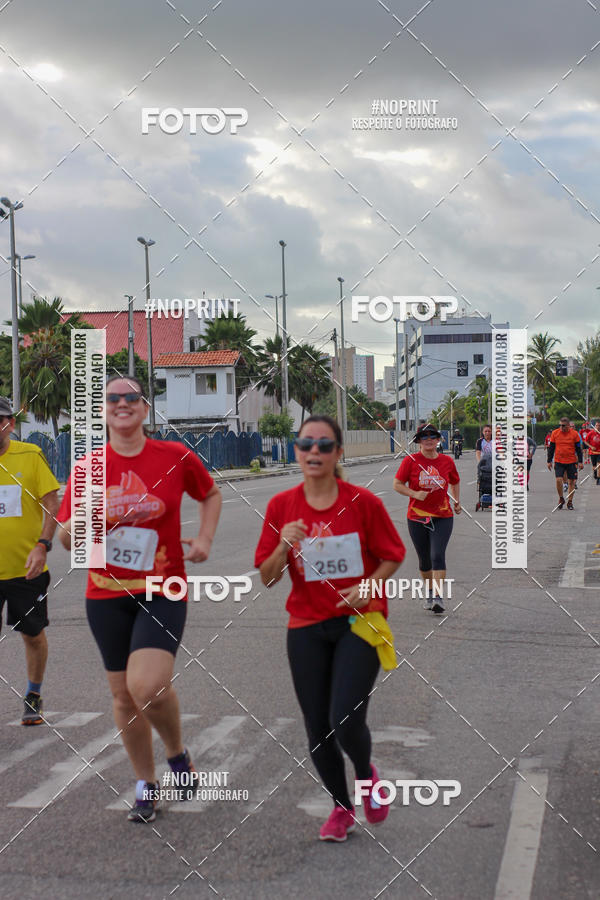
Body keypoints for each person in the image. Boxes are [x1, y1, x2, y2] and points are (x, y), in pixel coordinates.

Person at [57, 375, 222, 822]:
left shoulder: (174, 456)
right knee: (125, 698)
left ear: (145, 408)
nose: (122, 403)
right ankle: (146, 784)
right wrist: (73, 532)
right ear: (103, 410)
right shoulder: (88, 468)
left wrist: (205, 538)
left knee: (147, 685)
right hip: (105, 593)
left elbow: (210, 494)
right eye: (112, 398)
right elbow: (68, 534)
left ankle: (176, 752)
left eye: (131, 397)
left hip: (161, 588)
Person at [255, 415, 406, 842]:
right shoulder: (281, 507)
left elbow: (392, 554)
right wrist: (284, 544)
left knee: (345, 718)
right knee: (317, 727)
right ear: (296, 451)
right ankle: (341, 808)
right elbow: (267, 578)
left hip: (360, 623)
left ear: (338, 453)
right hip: (305, 625)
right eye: (306, 444)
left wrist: (369, 585)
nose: (314, 452)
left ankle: (366, 774)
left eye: (324, 445)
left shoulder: (362, 502)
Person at [0, 397, 60, 725]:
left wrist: (43, 544)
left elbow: (52, 501)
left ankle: (34, 693)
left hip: (26, 569)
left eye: (1, 420)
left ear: (9, 423)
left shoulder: (29, 456)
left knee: (32, 635)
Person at [393, 423, 461, 614]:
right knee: (424, 561)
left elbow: (455, 481)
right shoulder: (411, 461)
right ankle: (430, 591)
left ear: (439, 440)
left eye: (433, 436)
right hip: (417, 517)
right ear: (419, 441)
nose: (429, 439)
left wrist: (456, 500)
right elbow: (397, 484)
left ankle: (438, 597)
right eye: (425, 437)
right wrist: (414, 493)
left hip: (442, 515)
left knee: (437, 555)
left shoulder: (447, 461)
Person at [547, 417, 583, 510]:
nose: (561, 427)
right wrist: (549, 461)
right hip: (559, 461)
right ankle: (561, 498)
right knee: (559, 480)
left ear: (568, 426)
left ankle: (570, 502)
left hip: (571, 461)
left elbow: (579, 449)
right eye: (560, 425)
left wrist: (580, 462)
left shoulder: (574, 434)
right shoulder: (555, 433)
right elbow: (551, 448)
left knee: (572, 482)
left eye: (563, 425)